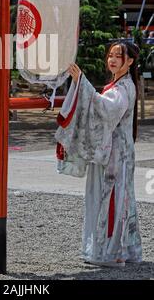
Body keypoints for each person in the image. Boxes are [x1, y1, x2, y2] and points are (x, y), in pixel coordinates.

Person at [54, 41, 142, 268]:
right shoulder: (119, 85)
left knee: (110, 200)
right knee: (116, 199)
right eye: (110, 55)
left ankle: (110, 252)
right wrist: (82, 84)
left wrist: (81, 82)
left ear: (129, 61)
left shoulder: (123, 88)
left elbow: (104, 109)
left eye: (118, 56)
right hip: (112, 151)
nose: (111, 59)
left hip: (115, 154)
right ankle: (119, 249)